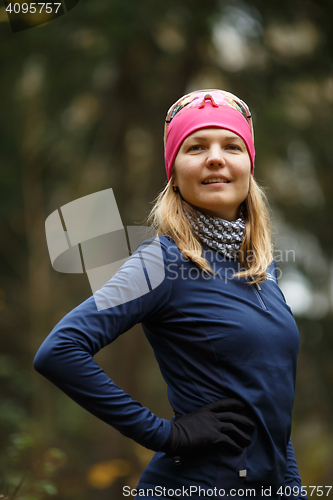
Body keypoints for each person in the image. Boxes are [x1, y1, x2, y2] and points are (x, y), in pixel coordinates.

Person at [34, 89, 307, 499]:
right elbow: (59, 350)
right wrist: (165, 435)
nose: (216, 157)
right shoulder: (161, 261)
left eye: (231, 146)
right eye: (195, 147)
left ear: (249, 166)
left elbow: (271, 415)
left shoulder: (261, 273)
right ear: (174, 174)